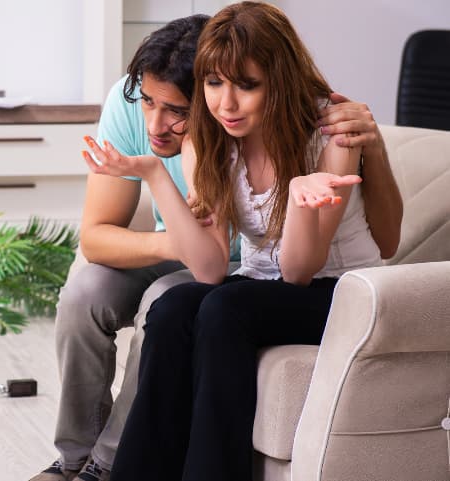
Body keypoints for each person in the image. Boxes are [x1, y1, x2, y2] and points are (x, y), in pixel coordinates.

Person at [32, 9, 403, 481]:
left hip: (341, 291)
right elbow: (208, 268)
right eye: (213, 84)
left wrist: (300, 201)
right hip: (258, 285)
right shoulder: (210, 136)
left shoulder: (330, 134)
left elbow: (297, 273)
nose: (226, 103)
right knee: (172, 310)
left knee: (224, 309)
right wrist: (150, 173)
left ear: (279, 81)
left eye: (246, 85)